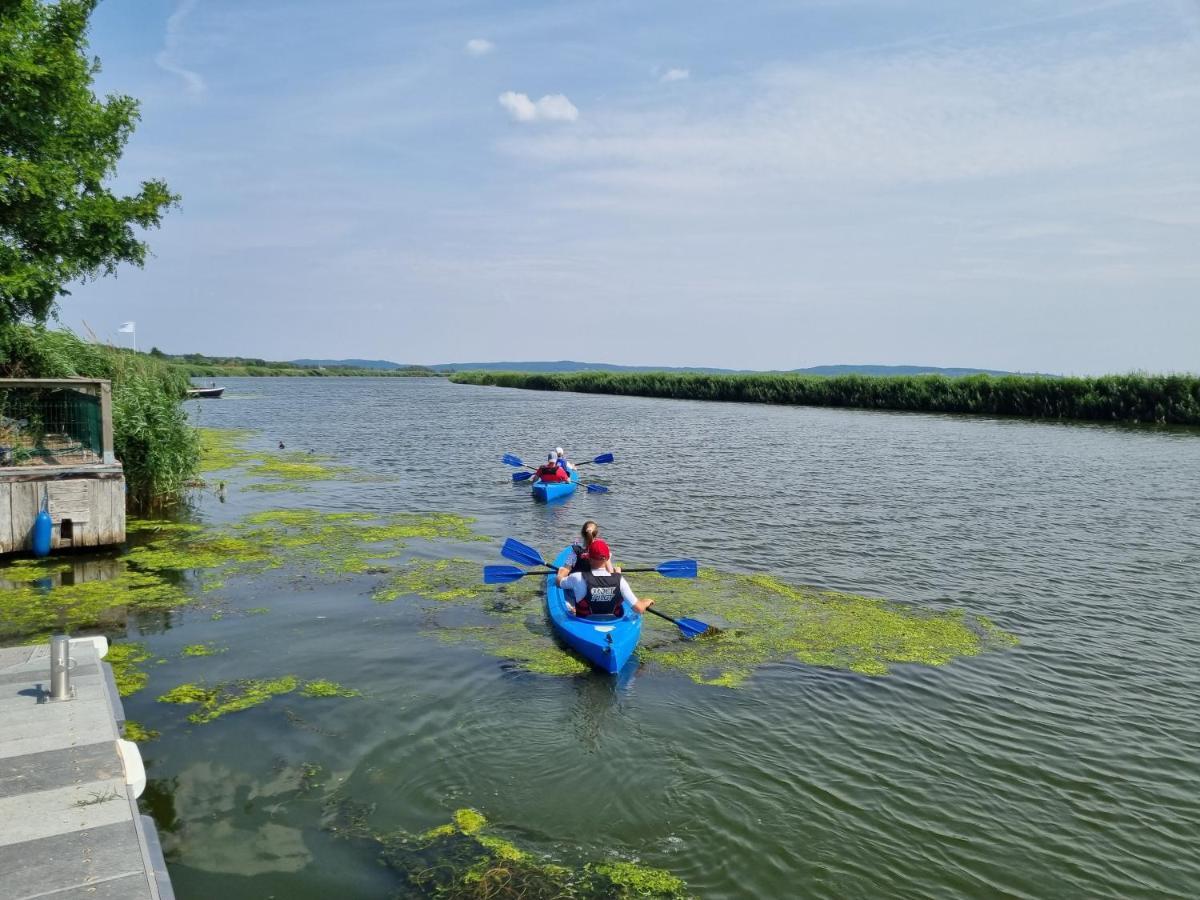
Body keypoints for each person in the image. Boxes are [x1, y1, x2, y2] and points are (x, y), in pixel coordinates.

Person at [556, 539, 653, 618]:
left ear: (588, 558)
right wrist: (646, 602)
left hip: (585, 621)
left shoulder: (577, 577)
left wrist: (561, 572)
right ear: (607, 559)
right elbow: (639, 609)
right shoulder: (620, 580)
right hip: (612, 622)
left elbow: (559, 583)